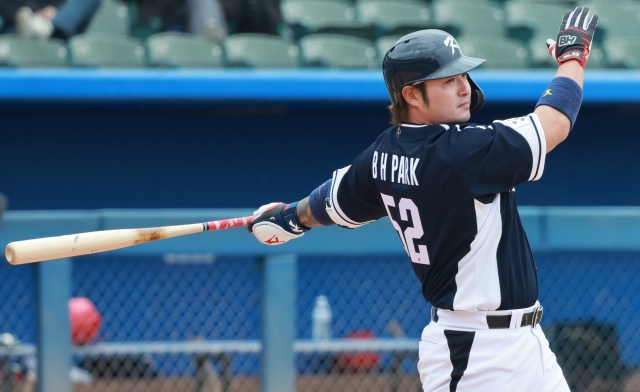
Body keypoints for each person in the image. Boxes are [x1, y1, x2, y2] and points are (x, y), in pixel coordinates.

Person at [247, 6, 598, 392]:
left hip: (522, 345)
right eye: (448, 80)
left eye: (464, 75)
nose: (465, 87)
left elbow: (327, 202)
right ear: (412, 94)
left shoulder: (383, 153)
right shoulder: (459, 151)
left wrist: (290, 218)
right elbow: (555, 123)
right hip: (477, 353)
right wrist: (572, 58)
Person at [0, 0, 102, 40]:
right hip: (18, 28)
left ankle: (52, 29)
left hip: (56, 24)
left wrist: (56, 9)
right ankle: (42, 29)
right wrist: (37, 15)